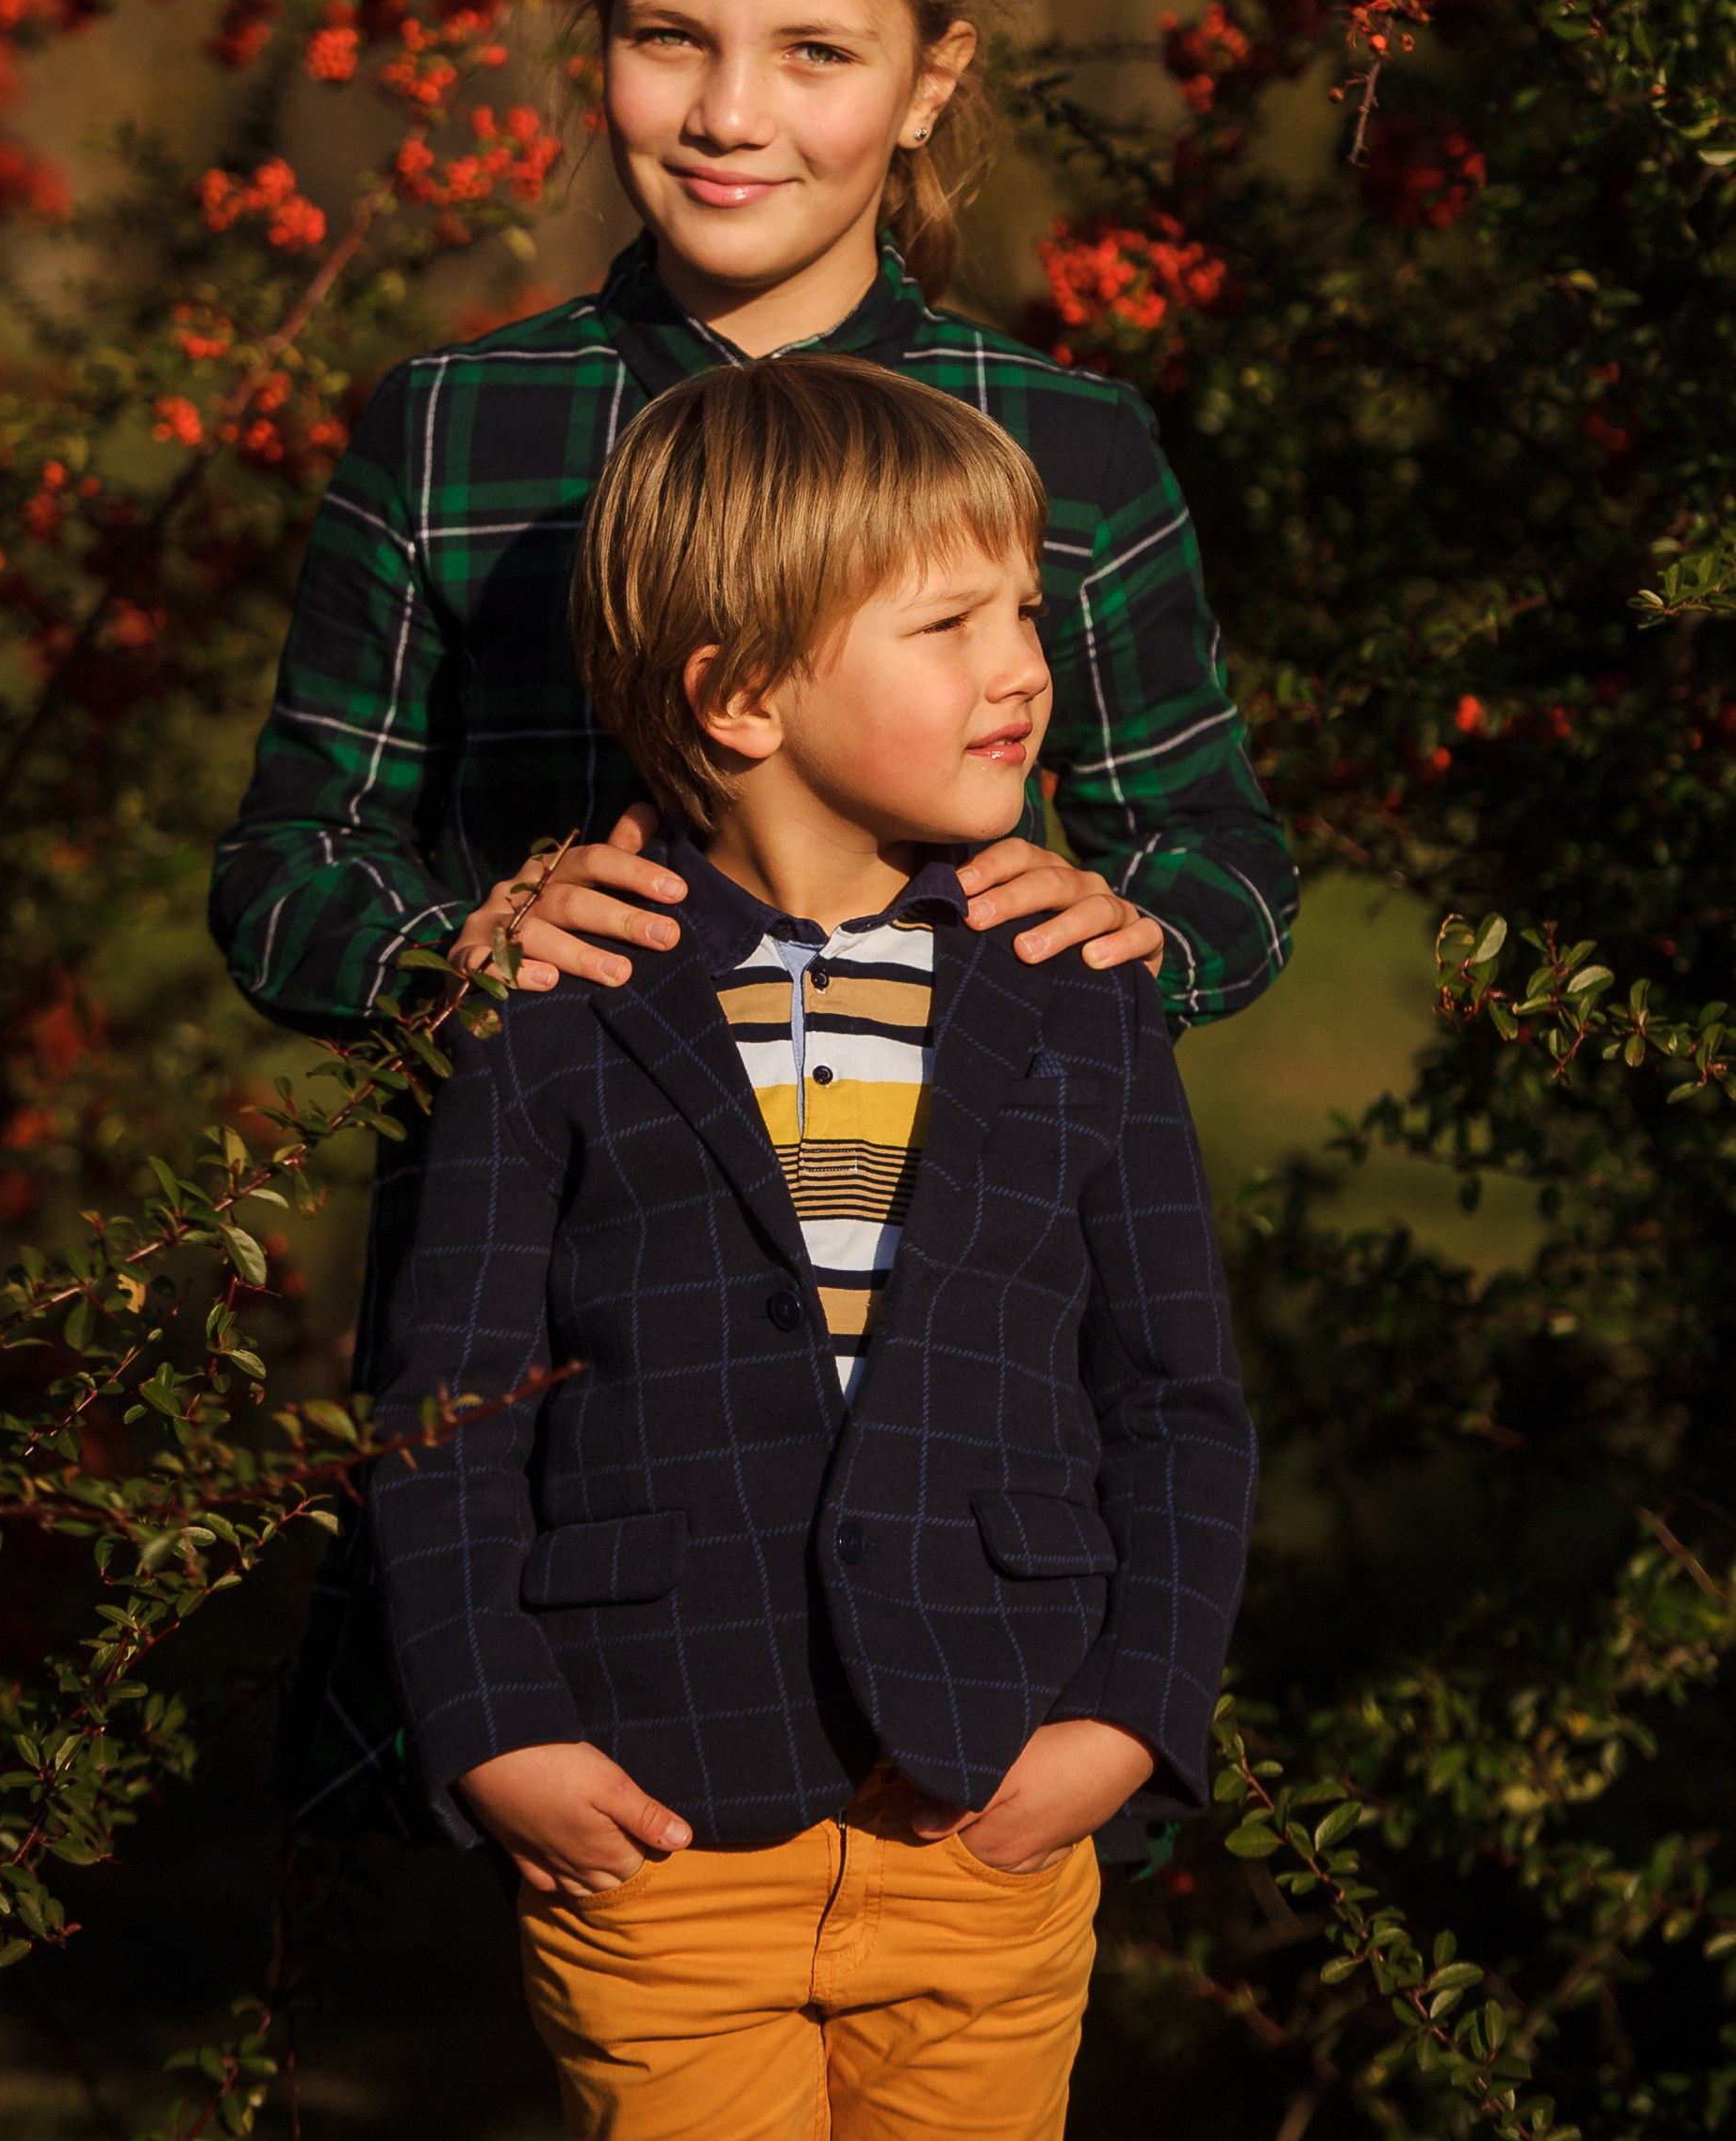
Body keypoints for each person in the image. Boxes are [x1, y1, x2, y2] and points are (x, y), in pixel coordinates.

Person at [210, 0, 1295, 1829]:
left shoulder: (1063, 441)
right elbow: (283, 867)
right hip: (584, 1399)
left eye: (813, 49)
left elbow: (1221, 847)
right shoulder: (457, 427)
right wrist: (452, 939)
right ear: (597, 36)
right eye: (667, 37)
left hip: (975, 1399)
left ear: (932, 73)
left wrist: (1151, 927)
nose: (729, 112)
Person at [366, 358, 1257, 2141]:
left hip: (989, 1813)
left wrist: (1132, 1721)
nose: (1021, 667)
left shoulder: (1082, 996)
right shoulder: (554, 1000)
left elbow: (1177, 1401)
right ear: (745, 693)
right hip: (654, 1828)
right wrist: (492, 1731)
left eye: (1024, 608)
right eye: (950, 623)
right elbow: (439, 1411)